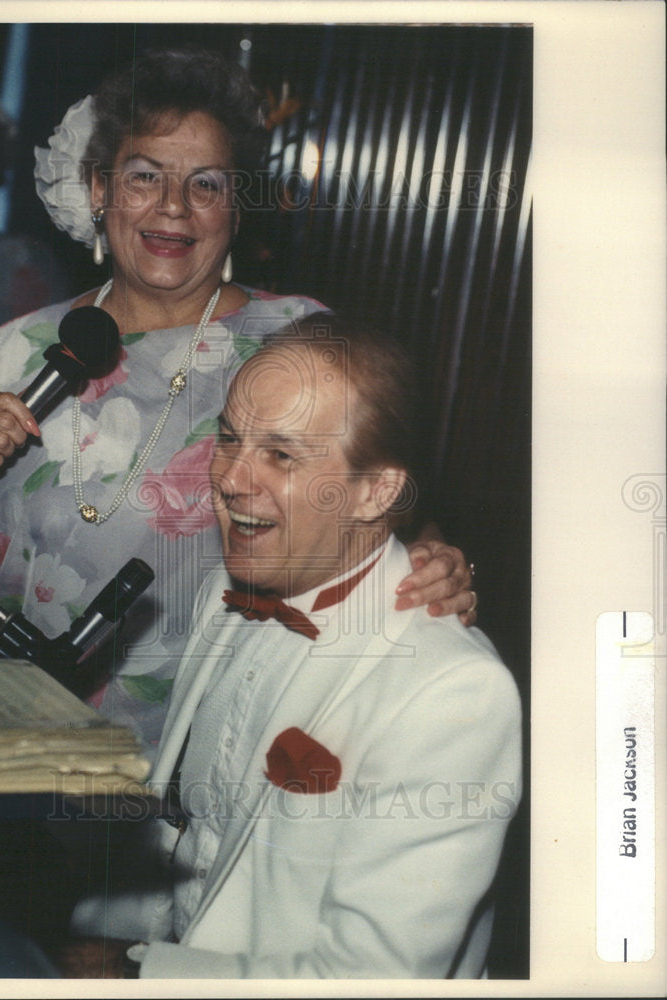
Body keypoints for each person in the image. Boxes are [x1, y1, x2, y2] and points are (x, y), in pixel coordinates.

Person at [0, 47, 476, 756]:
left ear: (236, 206)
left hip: (205, 757)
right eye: (145, 176)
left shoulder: (291, 340)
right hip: (0, 753)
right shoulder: (18, 347)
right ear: (100, 188)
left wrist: (436, 560)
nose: (173, 207)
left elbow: (386, 509)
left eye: (205, 184)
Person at [68, 314, 521, 978]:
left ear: (377, 491)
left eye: (281, 454)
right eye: (230, 439)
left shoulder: (455, 692)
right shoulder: (232, 584)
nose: (230, 479)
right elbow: (184, 845)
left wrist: (134, 972)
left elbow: (370, 979)